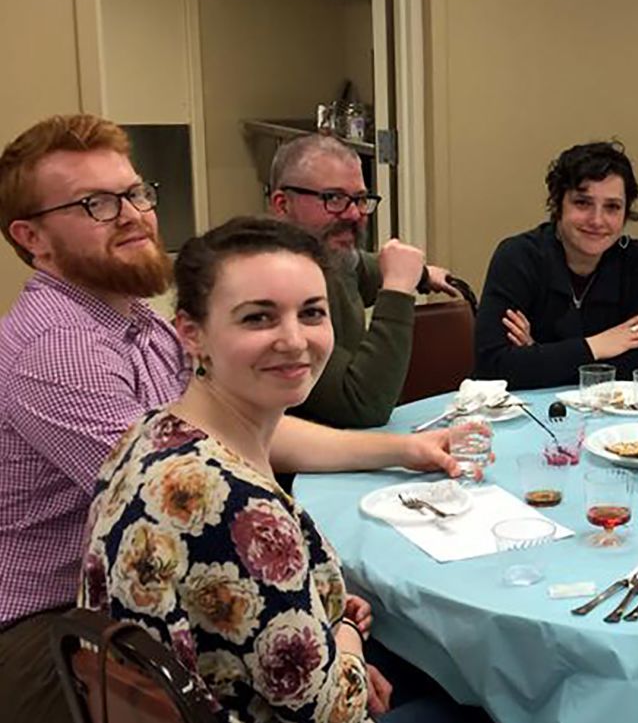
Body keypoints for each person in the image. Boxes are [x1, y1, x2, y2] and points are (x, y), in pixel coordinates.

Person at [0, 115, 462, 723]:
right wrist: (340, 636)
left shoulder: (133, 325)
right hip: (55, 626)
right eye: (96, 204)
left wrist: (401, 450)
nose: (134, 215)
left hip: (176, 614)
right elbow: (191, 504)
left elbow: (228, 428)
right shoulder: (58, 350)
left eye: (137, 193)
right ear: (32, 237)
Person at [80, 217, 484, 722]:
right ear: (191, 333)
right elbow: (332, 712)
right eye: (258, 318)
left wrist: (334, 630)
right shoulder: (232, 502)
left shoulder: (150, 433)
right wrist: (348, 641)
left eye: (312, 313)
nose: (294, 340)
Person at [268, 134, 459, 428]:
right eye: (333, 198)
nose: (354, 213)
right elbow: (364, 406)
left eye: (359, 199)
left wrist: (422, 274)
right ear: (282, 204)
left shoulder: (326, 254)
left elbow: (360, 269)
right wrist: (398, 289)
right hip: (295, 469)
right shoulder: (274, 286)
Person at [473, 140, 638, 389]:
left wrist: (538, 355)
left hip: (612, 418)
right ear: (558, 204)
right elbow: (493, 367)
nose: (597, 220)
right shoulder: (518, 257)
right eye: (582, 203)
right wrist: (597, 346)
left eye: (612, 207)